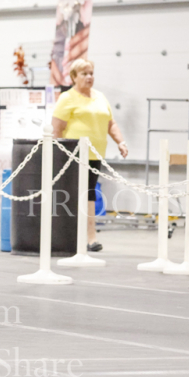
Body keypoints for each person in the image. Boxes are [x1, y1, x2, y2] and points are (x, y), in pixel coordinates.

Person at [52, 58, 128, 252]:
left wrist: (120, 142)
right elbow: (57, 128)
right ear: (74, 77)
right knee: (72, 195)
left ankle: (90, 237)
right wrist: (59, 154)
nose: (89, 77)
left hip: (95, 155)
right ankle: (71, 237)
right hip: (73, 155)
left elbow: (110, 123)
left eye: (91, 73)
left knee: (89, 193)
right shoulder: (67, 98)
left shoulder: (100, 97)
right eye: (84, 73)